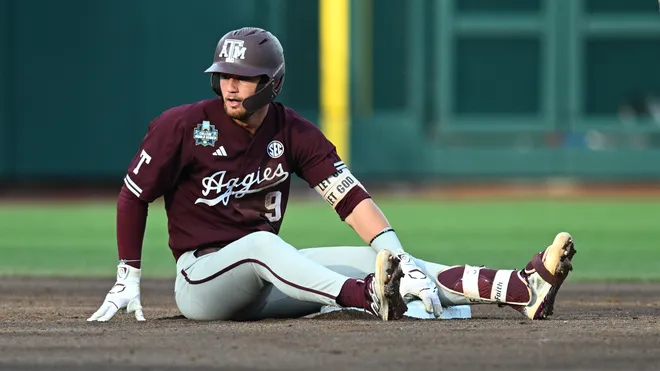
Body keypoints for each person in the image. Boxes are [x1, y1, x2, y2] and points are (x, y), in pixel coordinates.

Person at [88, 27, 577, 323]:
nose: (231, 86)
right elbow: (133, 196)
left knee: (385, 258)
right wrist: (127, 274)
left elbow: (348, 197)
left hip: (267, 280)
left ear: (271, 83)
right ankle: (367, 299)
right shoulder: (182, 125)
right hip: (201, 280)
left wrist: (394, 252)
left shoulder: (293, 131)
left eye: (244, 77)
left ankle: (518, 288)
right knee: (264, 245)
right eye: (224, 75)